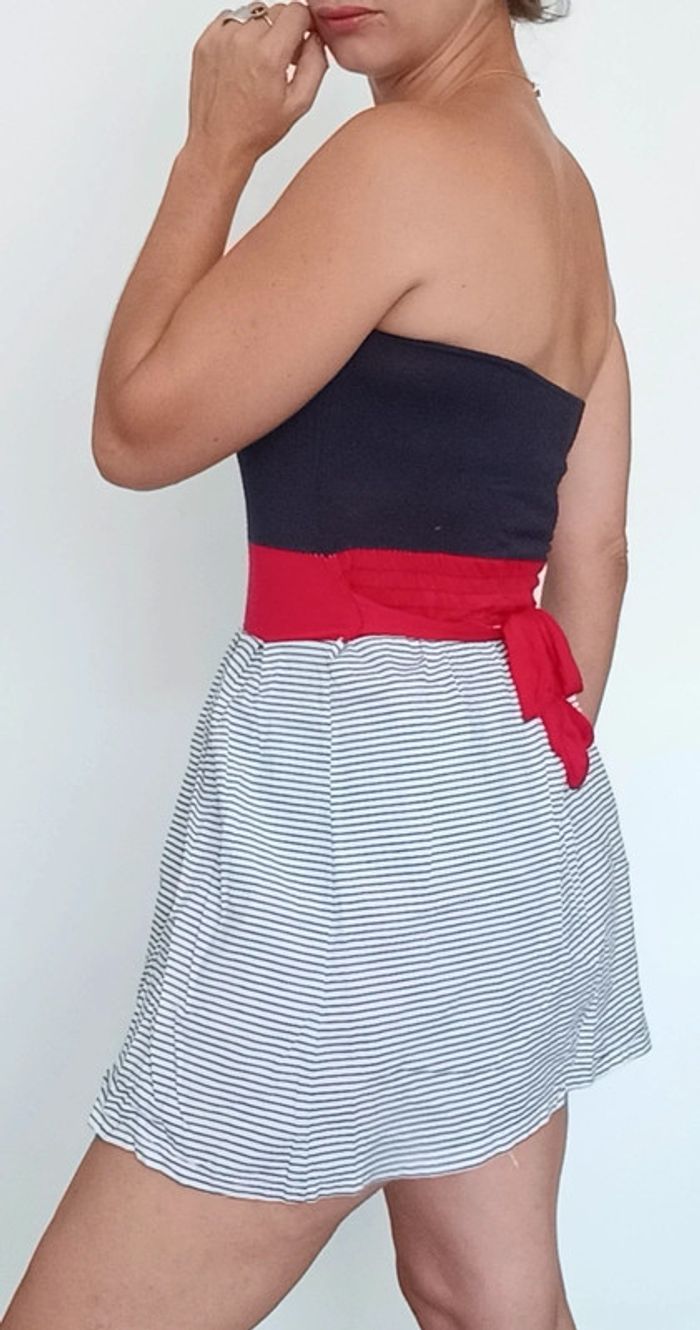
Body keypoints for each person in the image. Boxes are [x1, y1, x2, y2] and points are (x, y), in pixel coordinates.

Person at [4, 2, 653, 1327]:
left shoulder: (398, 161)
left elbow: (136, 426)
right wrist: (497, 802)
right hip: (516, 828)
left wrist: (215, 147)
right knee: (486, 1296)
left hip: (351, 828)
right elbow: (596, 551)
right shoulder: (564, 193)